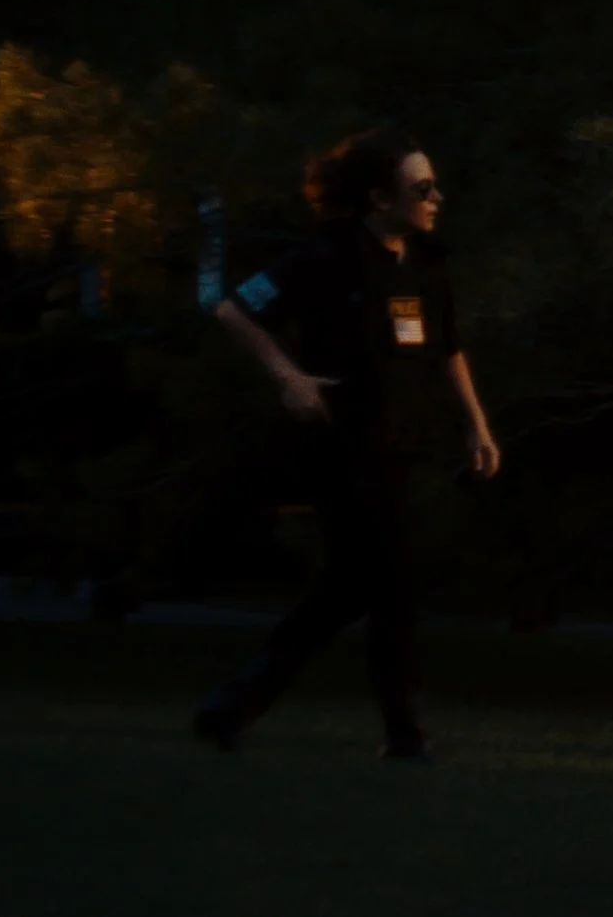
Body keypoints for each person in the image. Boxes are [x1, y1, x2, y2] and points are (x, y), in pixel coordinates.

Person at [191, 129, 500, 762]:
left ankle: (234, 706)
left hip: (405, 445)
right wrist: (289, 378)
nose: (437, 197)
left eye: (434, 185)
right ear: (379, 196)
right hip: (345, 447)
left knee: (351, 587)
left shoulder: (427, 262)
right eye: (422, 188)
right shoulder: (327, 256)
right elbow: (233, 310)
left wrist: (477, 425)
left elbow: (449, 348)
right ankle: (405, 735)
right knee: (392, 585)